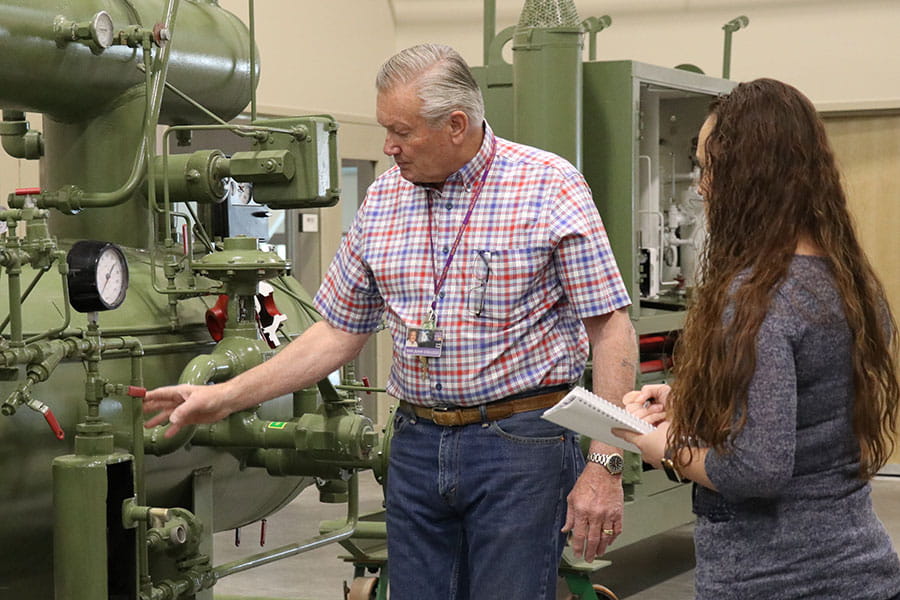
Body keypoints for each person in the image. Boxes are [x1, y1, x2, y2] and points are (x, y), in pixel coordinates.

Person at [144, 44, 637, 599]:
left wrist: (605, 461)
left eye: (401, 131)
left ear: (455, 125)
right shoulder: (383, 199)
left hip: (519, 444)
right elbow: (335, 332)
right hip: (417, 442)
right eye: (384, 129)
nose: (388, 147)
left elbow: (611, 329)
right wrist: (227, 396)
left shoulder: (549, 186)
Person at [614, 78, 900, 600]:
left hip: (776, 580)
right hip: (861, 569)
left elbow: (754, 471)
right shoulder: (850, 282)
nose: (700, 185)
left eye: (707, 166)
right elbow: (814, 413)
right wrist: (693, 400)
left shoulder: (756, 298)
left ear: (747, 175)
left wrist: (649, 442)